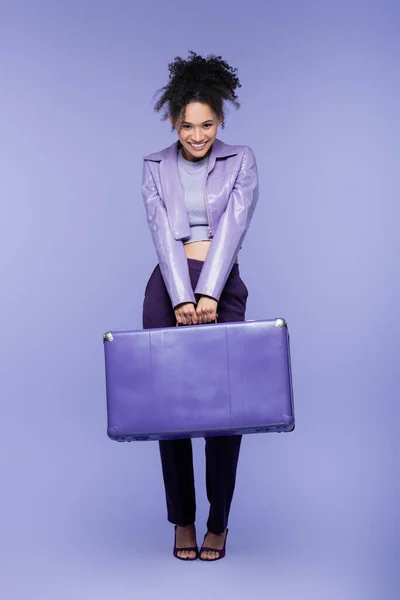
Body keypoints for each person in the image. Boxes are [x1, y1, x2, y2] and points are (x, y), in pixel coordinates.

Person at [141, 51, 259, 561]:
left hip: (222, 284)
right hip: (167, 285)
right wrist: (182, 296)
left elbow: (233, 229)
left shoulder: (242, 160)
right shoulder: (153, 167)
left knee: (223, 414)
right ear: (173, 121)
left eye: (207, 124)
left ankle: (219, 523)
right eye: (187, 125)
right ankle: (183, 520)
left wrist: (208, 291)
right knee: (170, 413)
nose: (196, 136)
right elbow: (162, 234)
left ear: (220, 121)